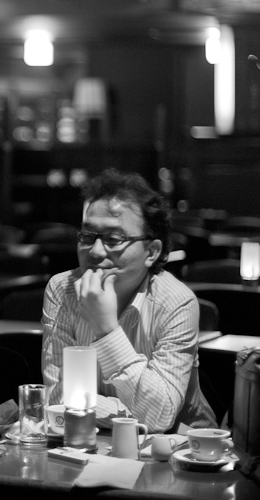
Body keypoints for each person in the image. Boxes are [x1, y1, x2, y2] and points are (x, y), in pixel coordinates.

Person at [42, 168, 217, 433]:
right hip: (89, 444)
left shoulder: (177, 303)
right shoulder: (62, 289)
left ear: (151, 251)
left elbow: (160, 417)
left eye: (114, 239)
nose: (96, 251)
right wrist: (131, 413)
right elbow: (57, 400)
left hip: (179, 452)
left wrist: (106, 330)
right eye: (88, 236)